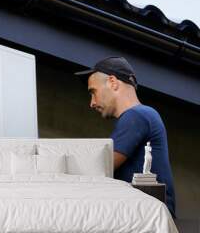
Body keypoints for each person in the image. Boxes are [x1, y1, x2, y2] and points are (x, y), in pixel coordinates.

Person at [75, 56, 176, 217]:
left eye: (93, 92)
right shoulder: (142, 116)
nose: (92, 103)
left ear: (113, 82)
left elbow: (97, 169)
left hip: (149, 220)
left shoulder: (137, 115)